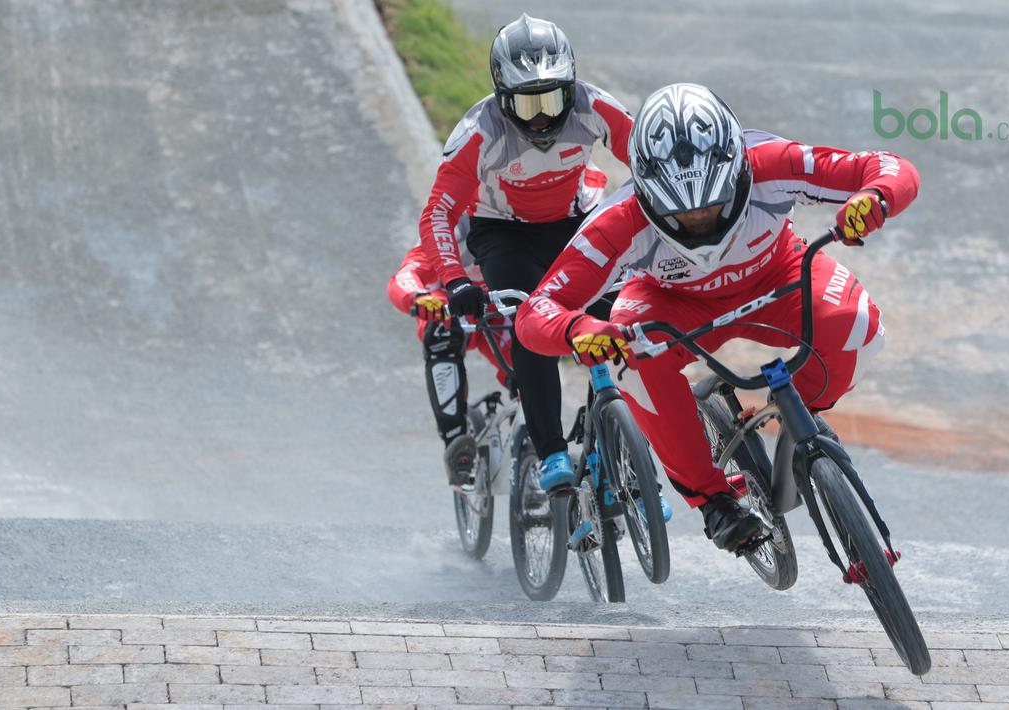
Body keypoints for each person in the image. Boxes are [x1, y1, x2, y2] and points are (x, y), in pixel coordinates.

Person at [515, 83, 920, 553]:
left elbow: (889, 167)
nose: (702, 222)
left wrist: (875, 198)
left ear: (739, 168)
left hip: (778, 275)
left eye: (714, 205)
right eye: (683, 217)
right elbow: (534, 313)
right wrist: (578, 330)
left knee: (859, 326)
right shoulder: (616, 221)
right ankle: (712, 500)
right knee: (631, 359)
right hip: (671, 303)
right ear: (646, 194)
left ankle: (796, 412)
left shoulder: (772, 160)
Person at [418, 13, 633, 492]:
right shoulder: (477, 132)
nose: (541, 117)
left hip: (572, 223)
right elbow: (437, 213)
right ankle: (553, 452)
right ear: (501, 96)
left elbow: (647, 161)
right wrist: (454, 279)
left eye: (552, 99)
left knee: (625, 311)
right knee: (531, 324)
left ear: (571, 86)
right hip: (503, 234)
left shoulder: (595, 105)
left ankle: (630, 437)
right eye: (526, 103)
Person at [386, 216, 512, 485]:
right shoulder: (451, 224)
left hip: (497, 308)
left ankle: (532, 445)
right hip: (448, 306)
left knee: (529, 354)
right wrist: (418, 298)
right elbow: (405, 275)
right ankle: (456, 442)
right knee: (442, 332)